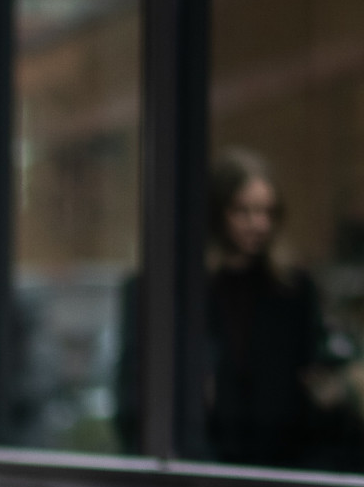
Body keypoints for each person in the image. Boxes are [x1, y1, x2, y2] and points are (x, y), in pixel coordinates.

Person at [116, 147, 362, 466]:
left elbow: (311, 382)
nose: (258, 224)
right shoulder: (175, 290)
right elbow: (135, 394)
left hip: (279, 468)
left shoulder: (292, 289)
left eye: (266, 212)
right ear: (218, 213)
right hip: (199, 467)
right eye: (243, 211)